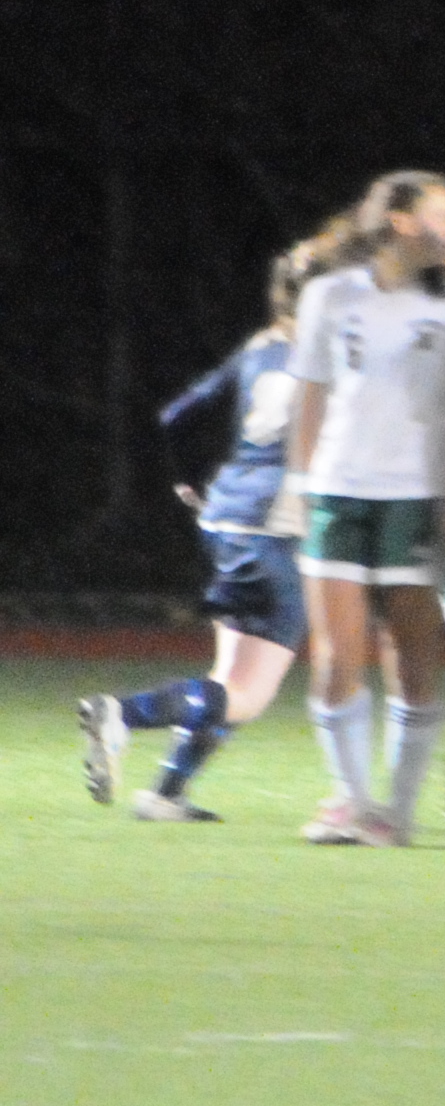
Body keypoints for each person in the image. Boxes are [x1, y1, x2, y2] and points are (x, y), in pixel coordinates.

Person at [79, 242, 324, 822]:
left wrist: (189, 483)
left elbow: (177, 415)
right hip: (273, 529)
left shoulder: (260, 348)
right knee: (246, 695)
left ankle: (166, 793)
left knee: (227, 680)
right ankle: (121, 714)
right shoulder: (324, 358)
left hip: (227, 520)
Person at [287, 172, 445, 846]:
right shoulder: (331, 295)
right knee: (336, 656)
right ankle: (354, 801)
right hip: (339, 491)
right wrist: (301, 486)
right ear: (400, 220)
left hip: (416, 496)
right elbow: (311, 395)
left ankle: (397, 810)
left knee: (413, 658)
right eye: (444, 215)